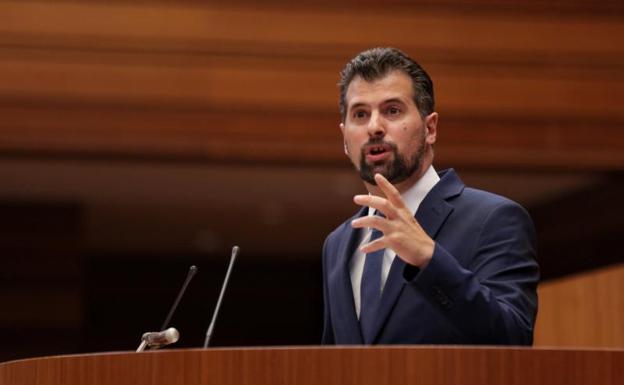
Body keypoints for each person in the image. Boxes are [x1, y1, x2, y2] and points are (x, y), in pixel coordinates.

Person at [321, 47, 539, 345]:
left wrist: (429, 259)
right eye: (361, 114)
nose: (374, 127)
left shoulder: (494, 220)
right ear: (345, 138)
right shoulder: (337, 244)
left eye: (392, 111)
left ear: (430, 127)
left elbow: (514, 339)